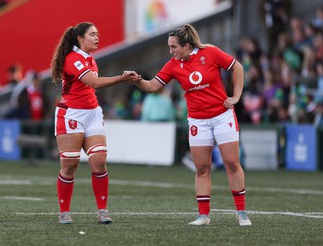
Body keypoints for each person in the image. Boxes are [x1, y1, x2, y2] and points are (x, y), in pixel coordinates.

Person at [133, 24, 252, 226]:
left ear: (186, 46)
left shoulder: (211, 53)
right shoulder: (172, 65)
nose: (170, 51)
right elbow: (153, 86)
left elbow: (237, 67)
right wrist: (136, 80)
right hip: (198, 121)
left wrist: (236, 96)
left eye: (173, 47)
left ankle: (241, 212)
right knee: (201, 168)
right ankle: (204, 215)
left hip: (223, 116)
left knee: (232, 162)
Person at [50, 22, 141, 225]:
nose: (97, 37)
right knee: (70, 166)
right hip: (71, 115)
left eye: (97, 34)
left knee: (99, 162)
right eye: (92, 34)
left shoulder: (89, 58)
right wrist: (123, 78)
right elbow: (94, 83)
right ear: (80, 39)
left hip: (92, 114)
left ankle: (102, 211)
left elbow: (90, 88)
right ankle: (64, 212)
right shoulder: (73, 58)